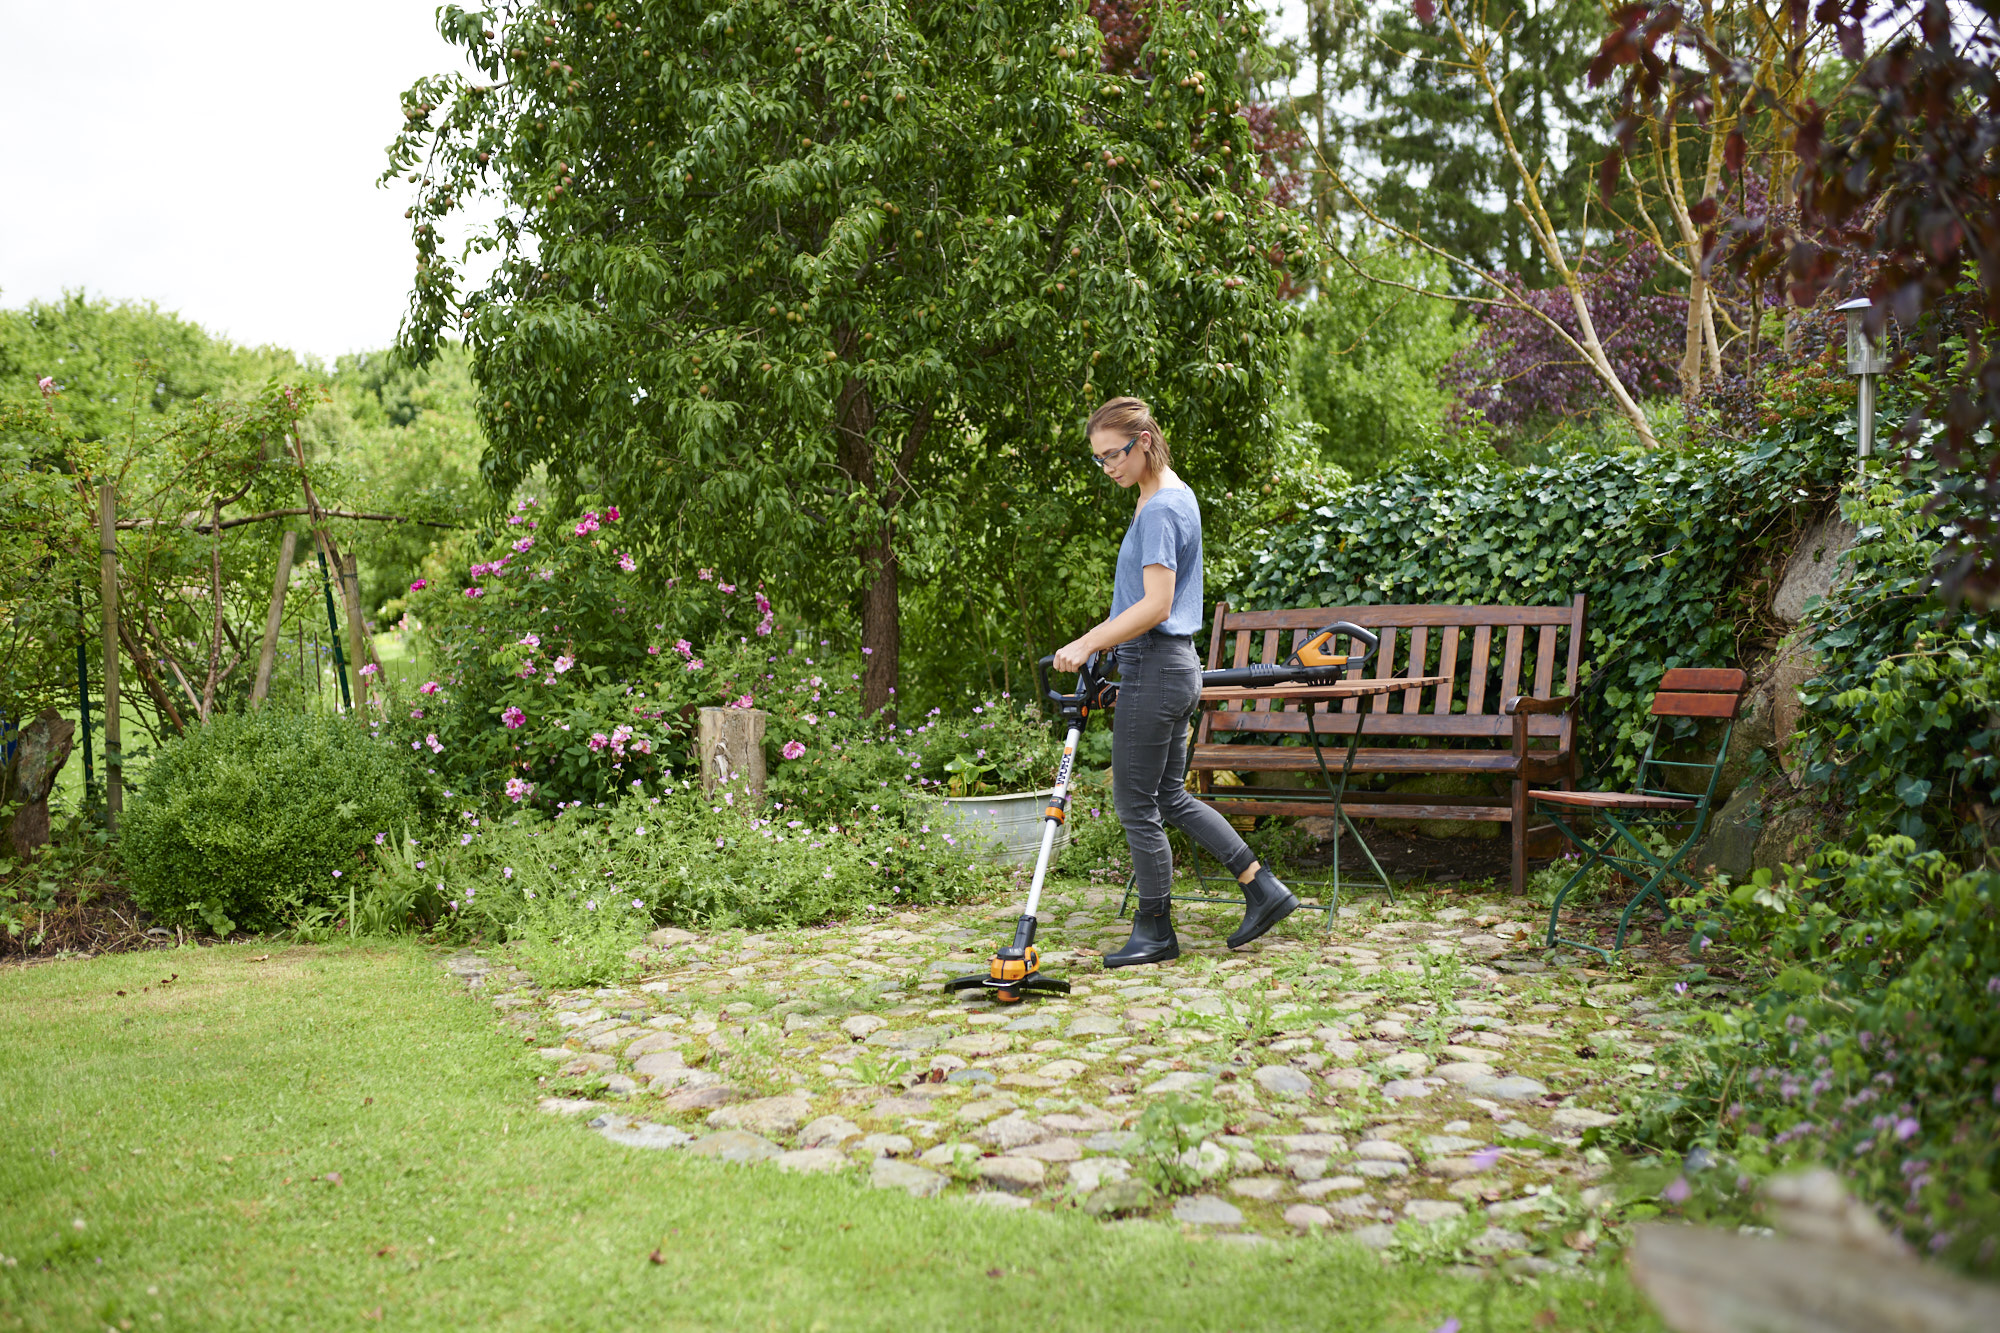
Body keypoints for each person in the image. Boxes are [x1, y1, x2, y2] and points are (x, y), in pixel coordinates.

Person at [1052, 397, 1298, 967]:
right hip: (1169, 667)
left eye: (1113, 454)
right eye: (1099, 459)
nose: (1107, 466)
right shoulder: (1167, 496)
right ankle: (1262, 888)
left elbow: (1158, 605)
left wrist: (1090, 641)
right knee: (1169, 795)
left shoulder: (1162, 508)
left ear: (1142, 441)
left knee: (1136, 802)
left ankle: (1156, 930)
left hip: (1159, 666)